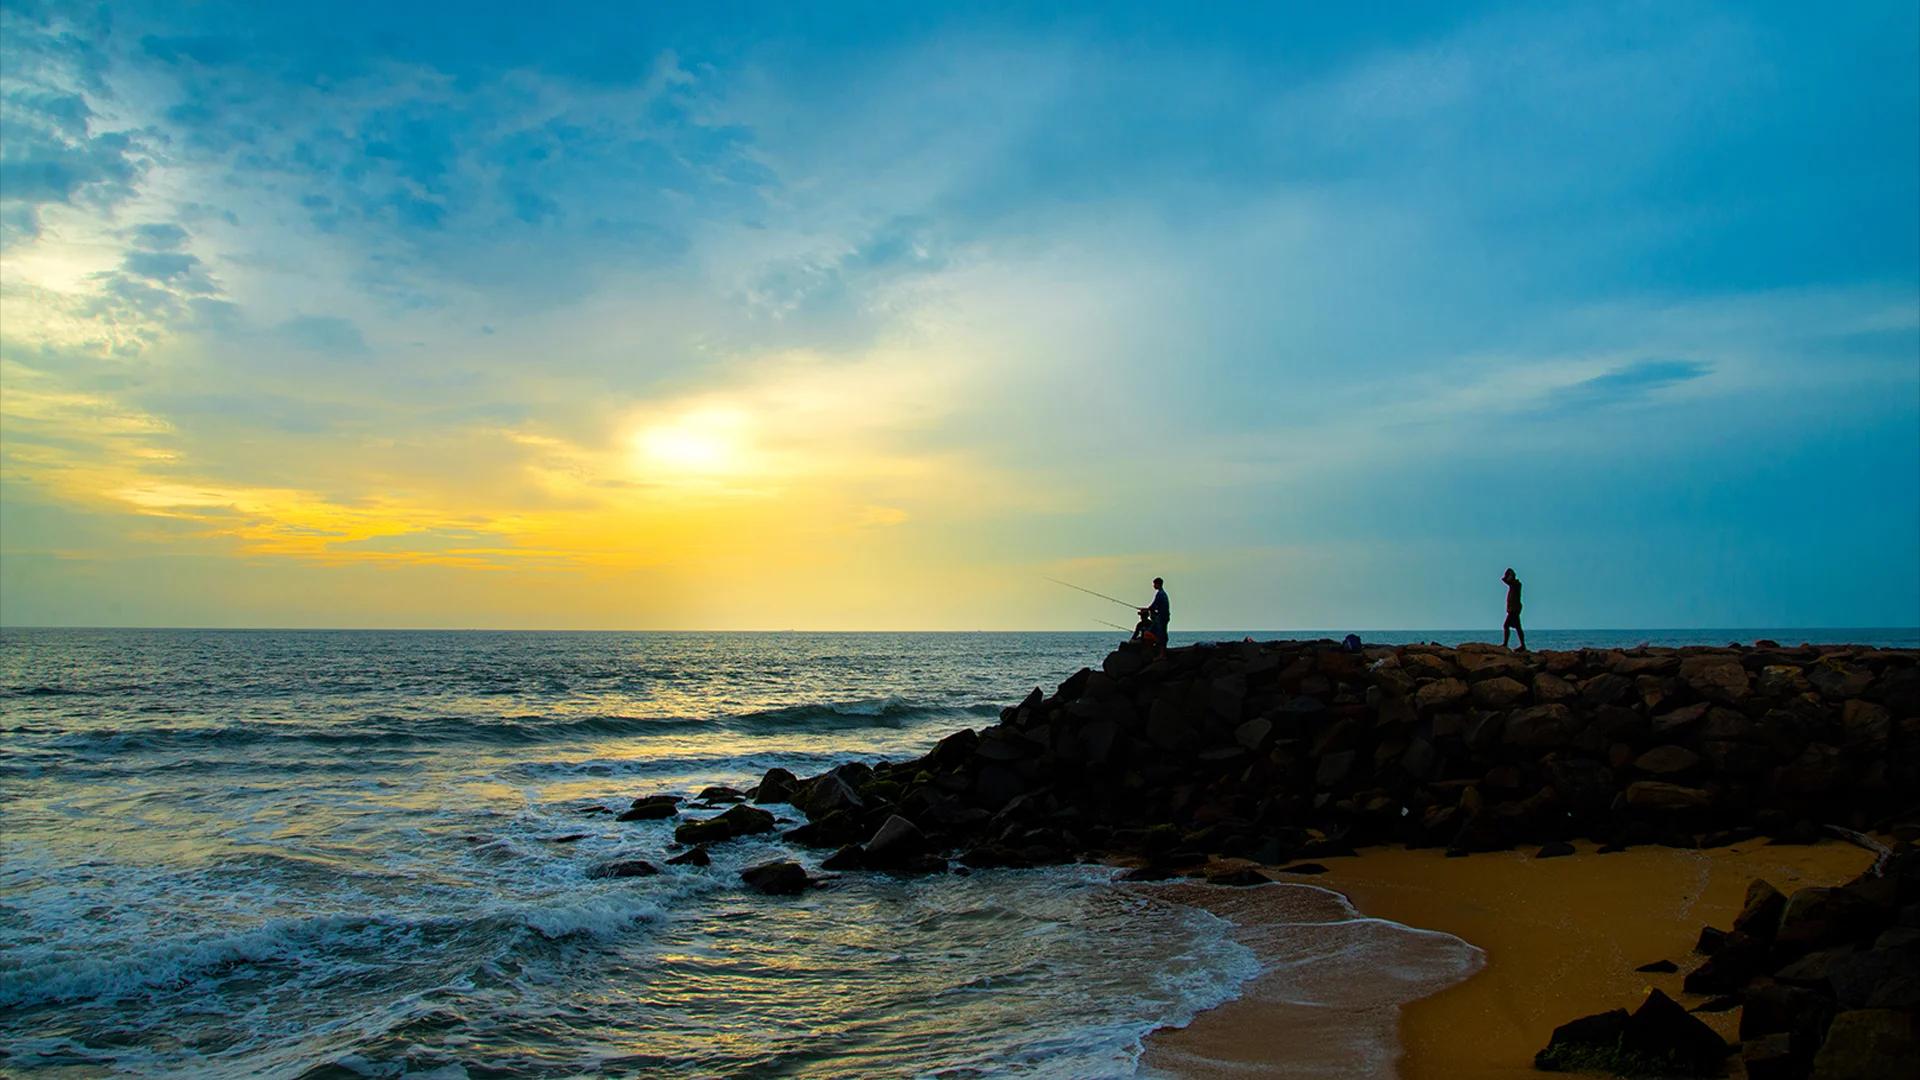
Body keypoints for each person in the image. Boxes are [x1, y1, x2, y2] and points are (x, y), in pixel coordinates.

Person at [1139, 577, 1170, 652]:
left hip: (1162, 617)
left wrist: (1146, 609)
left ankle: (1161, 654)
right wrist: (1147, 609)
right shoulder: (1163, 594)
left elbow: (1154, 606)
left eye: (1154, 584)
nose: (1153, 586)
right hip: (1164, 616)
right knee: (1161, 633)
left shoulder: (1160, 594)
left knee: (1160, 634)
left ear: (1158, 584)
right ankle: (1161, 652)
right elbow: (1155, 606)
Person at [1501, 568, 1526, 651]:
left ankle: (1506, 644)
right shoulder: (1512, 584)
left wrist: (1511, 573)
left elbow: (1506, 580)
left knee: (1506, 625)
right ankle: (1523, 645)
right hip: (1513, 609)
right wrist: (1507, 574)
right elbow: (1504, 580)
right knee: (1518, 628)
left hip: (1514, 610)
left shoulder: (1517, 584)